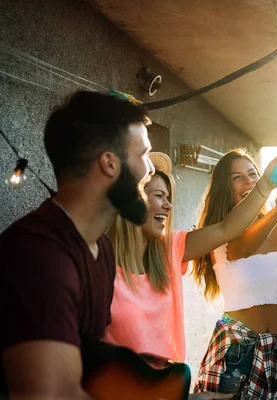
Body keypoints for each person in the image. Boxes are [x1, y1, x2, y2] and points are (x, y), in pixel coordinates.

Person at [0, 91, 155, 399]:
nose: (150, 170)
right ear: (109, 164)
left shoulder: (101, 249)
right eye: (144, 155)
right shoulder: (40, 256)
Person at [105, 151, 277, 369]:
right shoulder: (98, 262)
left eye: (168, 198)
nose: (169, 206)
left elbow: (226, 230)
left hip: (165, 385)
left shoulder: (169, 249)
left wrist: (266, 184)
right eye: (159, 196)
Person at [192, 149, 277, 399]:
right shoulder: (219, 232)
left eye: (253, 174)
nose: (248, 181)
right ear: (225, 187)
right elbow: (240, 249)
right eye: (237, 177)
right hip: (238, 347)